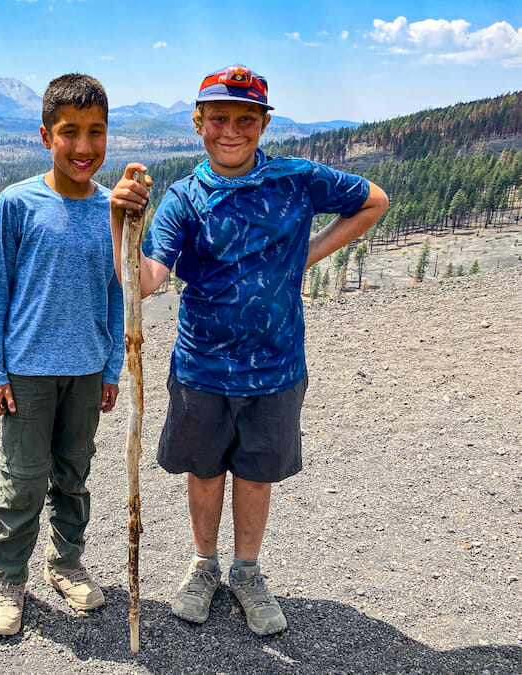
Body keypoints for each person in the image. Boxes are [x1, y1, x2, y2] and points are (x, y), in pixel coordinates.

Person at [110, 64, 389, 635]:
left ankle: (246, 571)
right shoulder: (185, 199)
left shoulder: (295, 180)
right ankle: (204, 566)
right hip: (201, 368)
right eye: (218, 119)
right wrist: (120, 221)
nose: (230, 131)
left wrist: (306, 255)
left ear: (263, 123)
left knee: (256, 475)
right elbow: (142, 281)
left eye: (244, 119)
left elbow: (374, 201)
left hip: (277, 366)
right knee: (205, 471)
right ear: (198, 123)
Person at [0, 73, 124, 636]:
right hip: (27, 372)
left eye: (96, 132)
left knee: (73, 474)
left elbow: (116, 292)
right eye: (70, 133)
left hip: (87, 370)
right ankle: (9, 577)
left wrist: (110, 368)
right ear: (46, 136)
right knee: (24, 478)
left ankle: (65, 564)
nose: (83, 147)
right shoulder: (17, 203)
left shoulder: (113, 208)